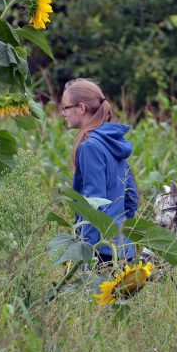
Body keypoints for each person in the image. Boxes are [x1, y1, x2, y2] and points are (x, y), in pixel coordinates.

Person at [60, 78, 139, 265]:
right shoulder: (114, 142)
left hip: (99, 252)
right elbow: (132, 198)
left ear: (81, 108)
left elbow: (94, 204)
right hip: (123, 249)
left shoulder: (90, 147)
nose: (62, 113)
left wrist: (84, 254)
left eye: (65, 107)